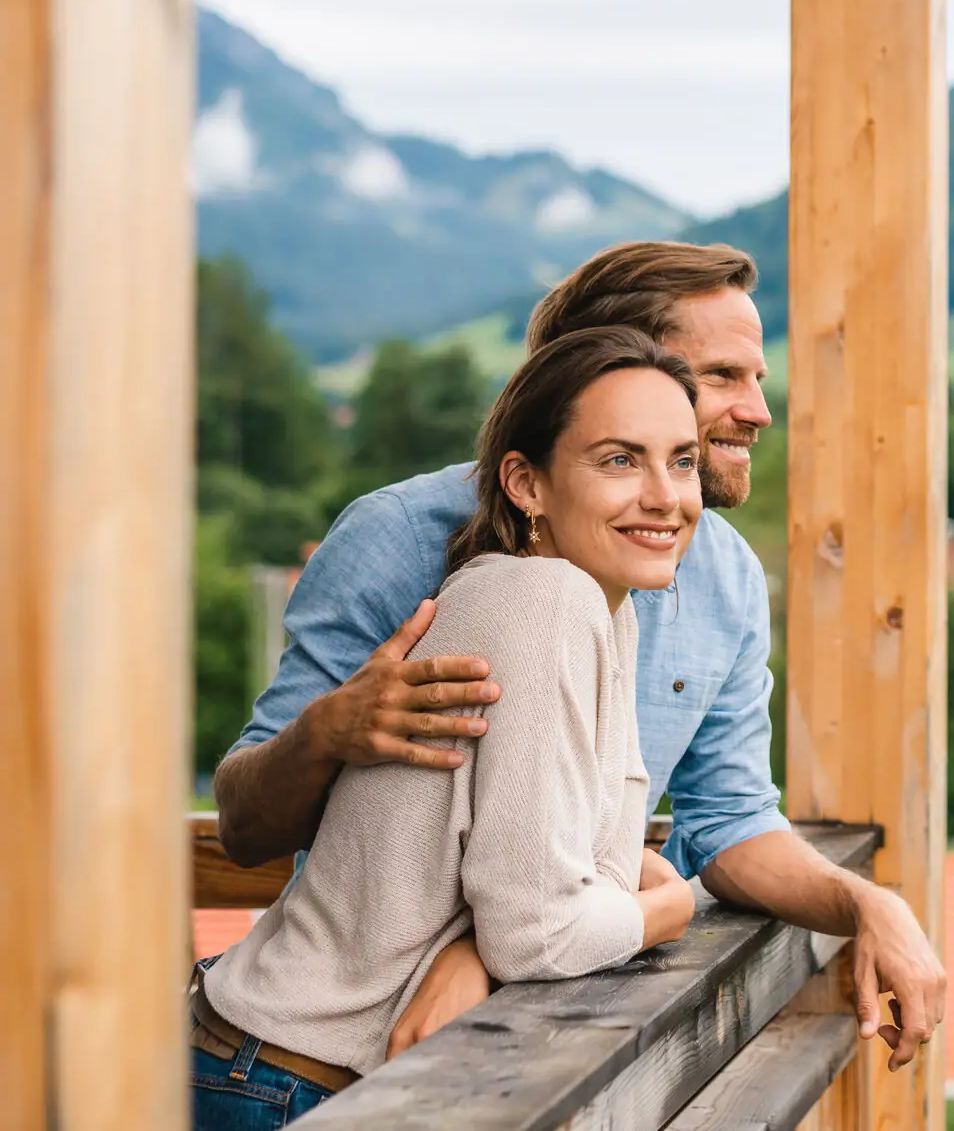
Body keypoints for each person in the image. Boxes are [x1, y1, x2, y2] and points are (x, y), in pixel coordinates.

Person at [212, 242, 944, 1070]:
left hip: (496, 1052)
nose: (758, 410)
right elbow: (243, 827)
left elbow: (723, 823)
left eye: (759, 379)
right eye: (724, 377)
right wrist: (326, 732)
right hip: (324, 1055)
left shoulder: (712, 573)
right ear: (603, 372)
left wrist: (865, 903)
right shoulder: (412, 544)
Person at [192, 327, 704, 1125]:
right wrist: (668, 909)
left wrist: (510, 934)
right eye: (618, 459)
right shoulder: (543, 603)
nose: (665, 495)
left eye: (682, 459)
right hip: (285, 1079)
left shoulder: (604, 607)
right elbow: (542, 929)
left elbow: (590, 866)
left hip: (294, 1068)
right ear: (525, 483)